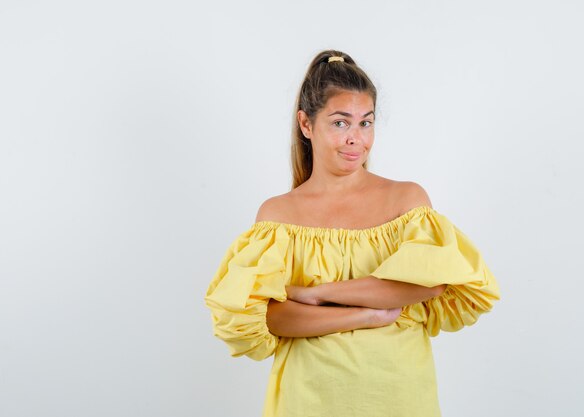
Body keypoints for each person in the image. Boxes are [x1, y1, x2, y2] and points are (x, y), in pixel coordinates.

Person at [204, 49, 501, 417]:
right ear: (306, 124)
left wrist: (314, 295)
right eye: (341, 123)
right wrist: (368, 315)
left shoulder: (406, 199)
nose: (355, 139)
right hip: (308, 399)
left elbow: (427, 284)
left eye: (366, 123)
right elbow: (269, 318)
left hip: (398, 396)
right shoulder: (278, 215)